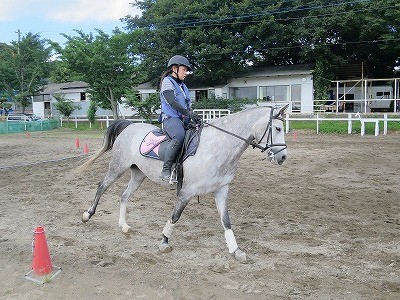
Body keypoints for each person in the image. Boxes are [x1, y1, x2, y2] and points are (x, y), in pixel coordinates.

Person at [159, 55, 198, 181]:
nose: (186, 73)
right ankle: (166, 170)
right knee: (179, 136)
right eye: (184, 70)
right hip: (170, 118)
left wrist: (192, 116)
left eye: (187, 70)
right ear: (174, 68)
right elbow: (171, 102)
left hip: (182, 120)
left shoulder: (184, 87)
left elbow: (186, 105)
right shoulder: (167, 82)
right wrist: (187, 112)